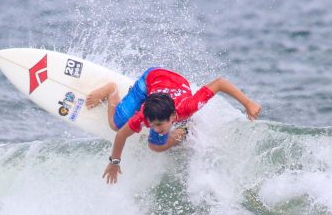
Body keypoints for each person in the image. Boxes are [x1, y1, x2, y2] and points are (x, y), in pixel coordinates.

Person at [85, 67, 261, 184]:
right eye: (152, 125)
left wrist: (248, 104)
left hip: (177, 82)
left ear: (172, 116)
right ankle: (111, 90)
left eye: (159, 125)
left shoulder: (189, 106)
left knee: (156, 146)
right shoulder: (145, 116)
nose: (154, 129)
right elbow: (121, 135)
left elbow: (220, 83)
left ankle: (184, 131)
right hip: (151, 78)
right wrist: (114, 162)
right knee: (116, 125)